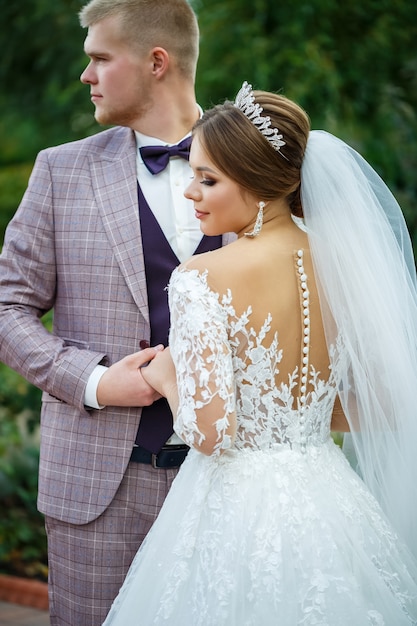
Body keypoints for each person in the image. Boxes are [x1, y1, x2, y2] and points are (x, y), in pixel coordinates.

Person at [102, 82, 417, 625]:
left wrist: (166, 376)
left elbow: (209, 433)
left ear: (259, 185)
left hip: (236, 509)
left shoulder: (201, 279)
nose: (190, 192)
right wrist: (303, 417)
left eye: (208, 179)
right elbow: (380, 404)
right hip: (330, 498)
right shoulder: (343, 260)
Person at [0, 1, 234, 624]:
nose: (87, 75)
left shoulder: (263, 167)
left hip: (234, 488)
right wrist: (98, 382)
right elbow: (8, 307)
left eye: (101, 58)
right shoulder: (61, 171)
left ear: (157, 62)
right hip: (99, 495)